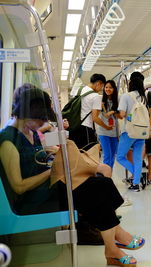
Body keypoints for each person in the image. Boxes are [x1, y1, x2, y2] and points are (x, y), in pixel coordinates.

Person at [0, 84, 143, 266]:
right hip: (37, 198)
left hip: (49, 188)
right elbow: (19, 187)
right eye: (40, 119)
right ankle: (115, 241)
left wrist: (53, 155)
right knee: (99, 188)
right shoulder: (8, 142)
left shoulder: (28, 132)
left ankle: (112, 246)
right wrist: (50, 172)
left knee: (100, 184)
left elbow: (37, 157)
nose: (42, 124)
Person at [116, 77, 148, 192]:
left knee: (119, 157)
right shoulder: (144, 98)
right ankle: (136, 184)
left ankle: (138, 177)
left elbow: (122, 114)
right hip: (141, 131)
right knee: (138, 158)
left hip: (129, 131)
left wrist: (115, 113)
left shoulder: (126, 96)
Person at [69, 73, 106, 149]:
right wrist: (106, 127)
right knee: (90, 154)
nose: (101, 89)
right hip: (86, 129)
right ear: (98, 84)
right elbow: (95, 118)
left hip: (74, 127)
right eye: (102, 87)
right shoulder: (96, 96)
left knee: (77, 154)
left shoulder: (79, 90)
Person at [93, 80, 119, 169]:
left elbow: (121, 115)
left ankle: (108, 175)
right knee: (107, 156)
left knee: (113, 156)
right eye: (106, 87)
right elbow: (95, 116)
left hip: (114, 132)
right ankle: (106, 178)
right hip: (103, 131)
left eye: (110, 87)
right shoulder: (100, 99)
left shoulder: (117, 100)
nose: (108, 89)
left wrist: (113, 111)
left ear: (114, 89)